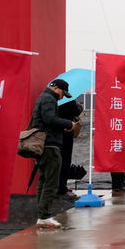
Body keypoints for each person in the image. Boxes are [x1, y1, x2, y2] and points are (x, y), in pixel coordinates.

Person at [30, 79, 77, 227]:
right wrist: (68, 124)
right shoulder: (49, 99)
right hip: (50, 145)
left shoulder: (44, 98)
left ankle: (42, 214)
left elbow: (46, 120)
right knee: (51, 181)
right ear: (55, 88)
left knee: (43, 180)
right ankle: (44, 216)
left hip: (43, 144)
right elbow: (49, 119)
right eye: (62, 93)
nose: (62, 97)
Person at [56, 99, 84, 199]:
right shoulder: (67, 97)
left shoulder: (53, 98)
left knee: (59, 161)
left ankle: (60, 186)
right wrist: (80, 106)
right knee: (65, 161)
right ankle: (61, 189)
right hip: (66, 132)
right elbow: (75, 110)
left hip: (56, 133)